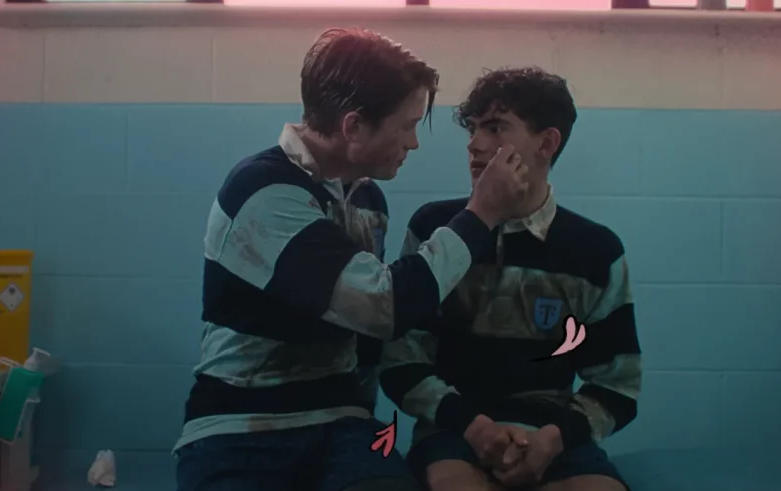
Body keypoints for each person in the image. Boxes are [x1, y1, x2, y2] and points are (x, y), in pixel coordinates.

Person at [173, 28, 530, 491]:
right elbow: (387, 307)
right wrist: (482, 213)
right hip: (242, 426)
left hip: (344, 422)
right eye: (406, 125)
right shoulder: (263, 193)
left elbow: (367, 344)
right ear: (354, 126)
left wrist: (460, 421)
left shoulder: (365, 200)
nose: (413, 143)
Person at [379, 67, 642, 491]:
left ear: (547, 143)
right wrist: (474, 428)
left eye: (495, 128)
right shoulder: (435, 231)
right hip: (455, 432)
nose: (475, 144)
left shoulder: (595, 251)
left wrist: (551, 441)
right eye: (473, 129)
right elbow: (400, 361)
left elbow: (618, 384)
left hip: (554, 437)